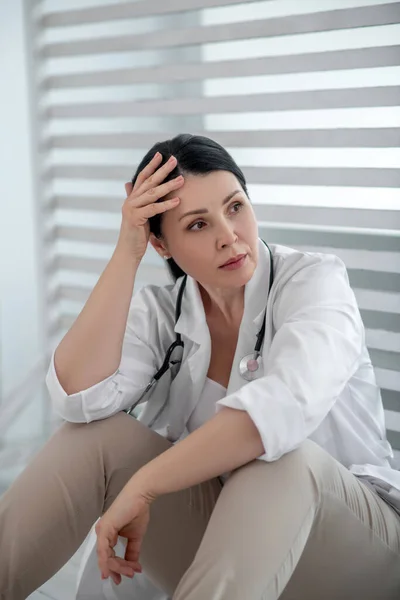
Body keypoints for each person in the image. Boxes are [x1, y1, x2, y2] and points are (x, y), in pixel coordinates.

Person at [1, 133, 400, 600]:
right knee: (95, 439)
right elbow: (77, 397)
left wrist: (145, 486)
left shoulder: (314, 282)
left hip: (350, 554)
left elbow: (278, 412)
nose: (228, 236)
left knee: (279, 460)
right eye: (196, 225)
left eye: (235, 207)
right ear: (161, 244)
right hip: (234, 556)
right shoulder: (163, 313)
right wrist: (126, 252)